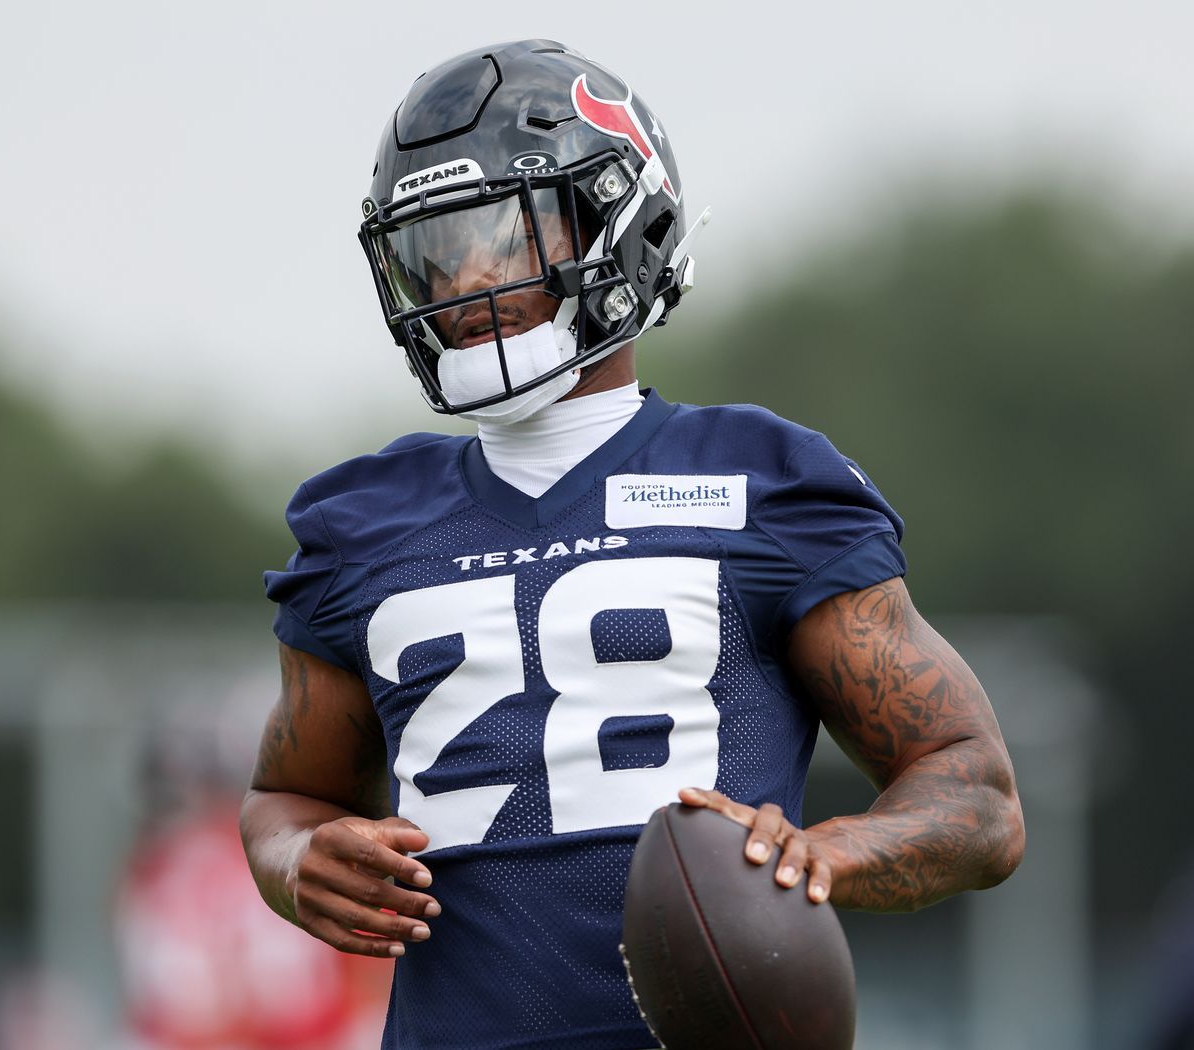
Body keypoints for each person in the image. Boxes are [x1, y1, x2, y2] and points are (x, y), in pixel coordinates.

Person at [241, 39, 1024, 1050]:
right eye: (436, 248)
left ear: (620, 222)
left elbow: (976, 795)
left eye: (503, 235)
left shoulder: (763, 482)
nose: (464, 277)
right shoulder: (362, 524)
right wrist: (300, 858)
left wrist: (819, 857)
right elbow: (283, 796)